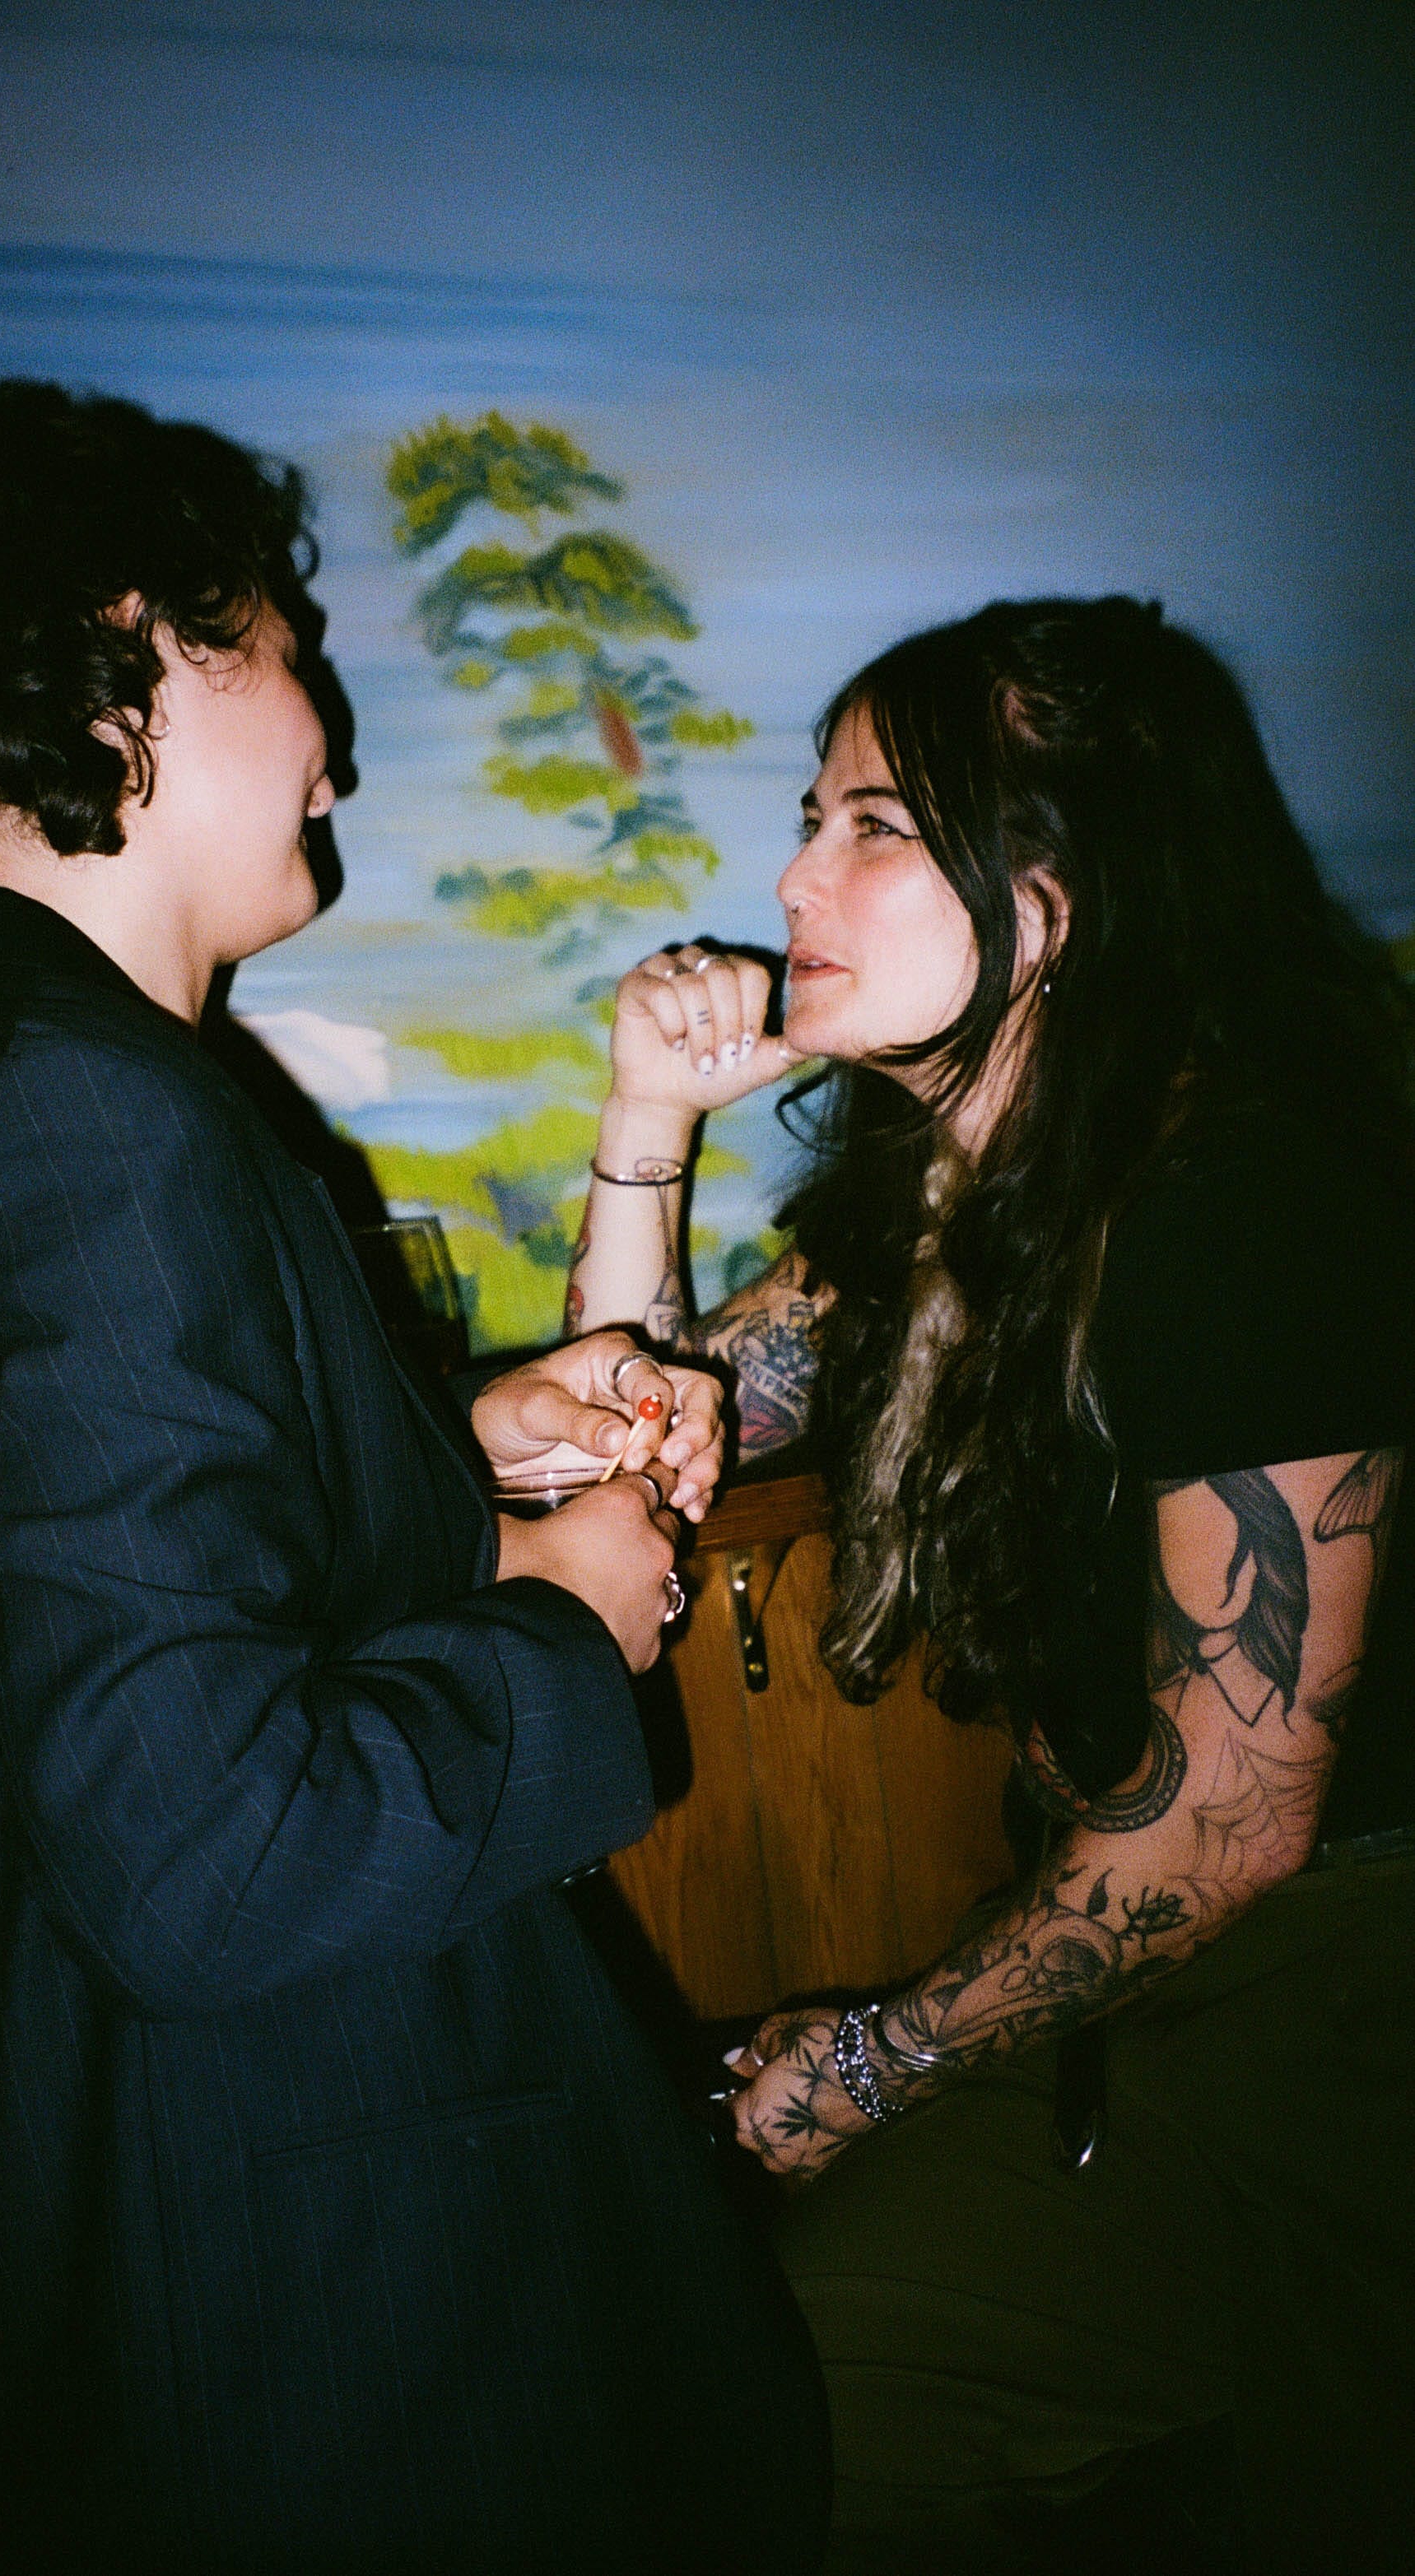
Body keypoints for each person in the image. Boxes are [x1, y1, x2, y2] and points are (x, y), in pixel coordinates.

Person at [0, 381, 830, 2575]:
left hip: (218, 2249)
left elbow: (132, 1574)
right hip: (283, 2317)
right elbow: (206, 1852)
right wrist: (569, 1614)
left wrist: (456, 1448)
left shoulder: (36, 1070)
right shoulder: (77, 1113)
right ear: (127, 654)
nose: (333, 739)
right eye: (281, 644)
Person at [565, 596, 1415, 2571]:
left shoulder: (1246, 1200)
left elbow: (1235, 1818)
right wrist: (644, 1119)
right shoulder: (942, 1206)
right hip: (1150, 1986)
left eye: (872, 823)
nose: (794, 875)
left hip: (1346, 2012)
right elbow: (640, 1427)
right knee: (753, 2402)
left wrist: (862, 2065)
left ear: (1054, 904)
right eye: (812, 817)